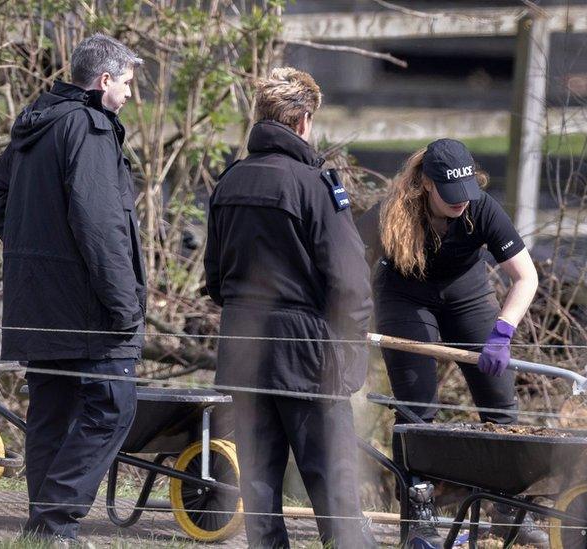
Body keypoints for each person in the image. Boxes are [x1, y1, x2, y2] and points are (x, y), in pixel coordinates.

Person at [0, 34, 144, 544]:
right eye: (128, 84)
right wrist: (125, 305)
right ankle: (57, 519)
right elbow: (100, 228)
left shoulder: (39, 122)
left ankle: (43, 526)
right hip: (87, 307)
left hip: (39, 301)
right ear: (104, 81)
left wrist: (39, 253)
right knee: (112, 405)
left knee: (53, 411)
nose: (130, 95)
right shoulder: (89, 128)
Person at [204, 67, 374, 549]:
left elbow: (215, 278)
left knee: (258, 481)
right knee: (333, 479)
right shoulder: (314, 185)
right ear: (303, 120)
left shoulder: (229, 181)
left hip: (240, 343)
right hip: (304, 350)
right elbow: (350, 281)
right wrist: (350, 349)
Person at [356, 139, 545, 548]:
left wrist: (502, 332)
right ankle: (419, 521)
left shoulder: (482, 208)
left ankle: (507, 512)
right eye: (450, 194)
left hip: (467, 293)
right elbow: (348, 262)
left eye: (466, 193)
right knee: (417, 409)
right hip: (404, 295)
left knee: (500, 403)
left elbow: (526, 277)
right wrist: (349, 315)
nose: (461, 202)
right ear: (426, 184)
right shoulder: (392, 212)